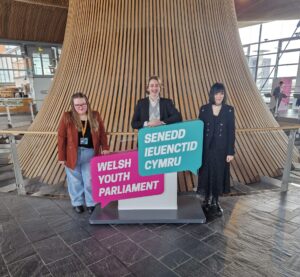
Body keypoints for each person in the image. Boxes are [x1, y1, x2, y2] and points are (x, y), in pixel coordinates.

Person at [58, 92, 109, 214]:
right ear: (73, 105)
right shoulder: (67, 116)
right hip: (72, 154)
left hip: (90, 153)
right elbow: (61, 137)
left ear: (87, 104)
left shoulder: (95, 115)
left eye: (83, 104)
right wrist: (61, 156)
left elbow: (102, 132)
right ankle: (77, 203)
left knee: (90, 179)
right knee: (74, 181)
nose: (80, 107)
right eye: (77, 105)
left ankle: (91, 203)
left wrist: (105, 147)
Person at [197, 83, 235, 216]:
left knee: (219, 174)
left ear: (224, 95)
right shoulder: (204, 109)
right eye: (217, 93)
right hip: (205, 149)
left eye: (222, 93)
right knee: (206, 173)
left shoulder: (229, 110)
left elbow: (231, 131)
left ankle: (216, 200)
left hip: (222, 149)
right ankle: (207, 199)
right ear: (212, 94)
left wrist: (231, 151)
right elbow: (198, 130)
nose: (219, 96)